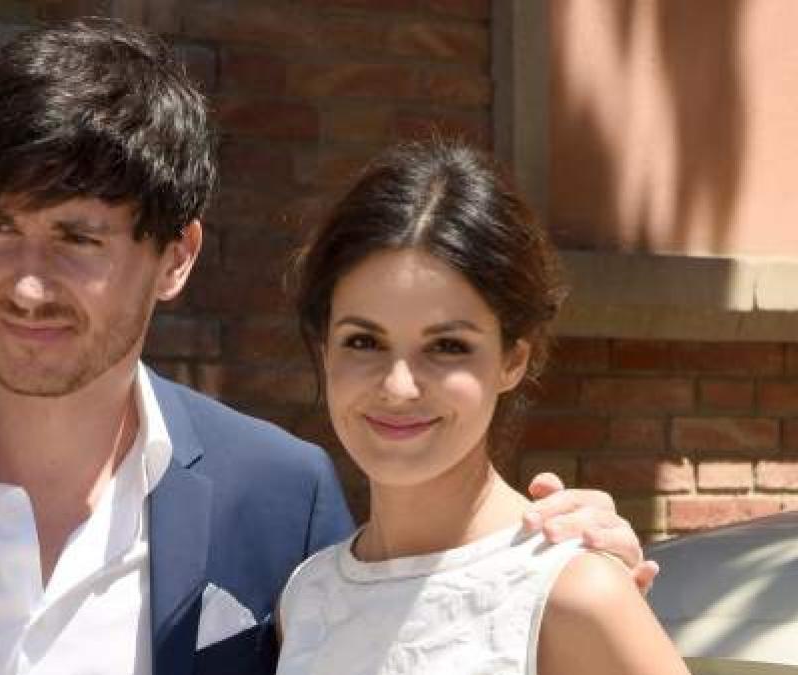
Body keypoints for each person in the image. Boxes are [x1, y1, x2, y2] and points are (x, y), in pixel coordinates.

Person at [0, 19, 654, 675]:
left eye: (78, 238)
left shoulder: (279, 495)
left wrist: (573, 567)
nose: (27, 284)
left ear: (176, 255)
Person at [277, 139, 687, 674]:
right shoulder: (307, 598)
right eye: (363, 341)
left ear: (513, 359)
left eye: (447, 346)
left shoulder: (574, 595)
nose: (399, 386)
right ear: (323, 347)